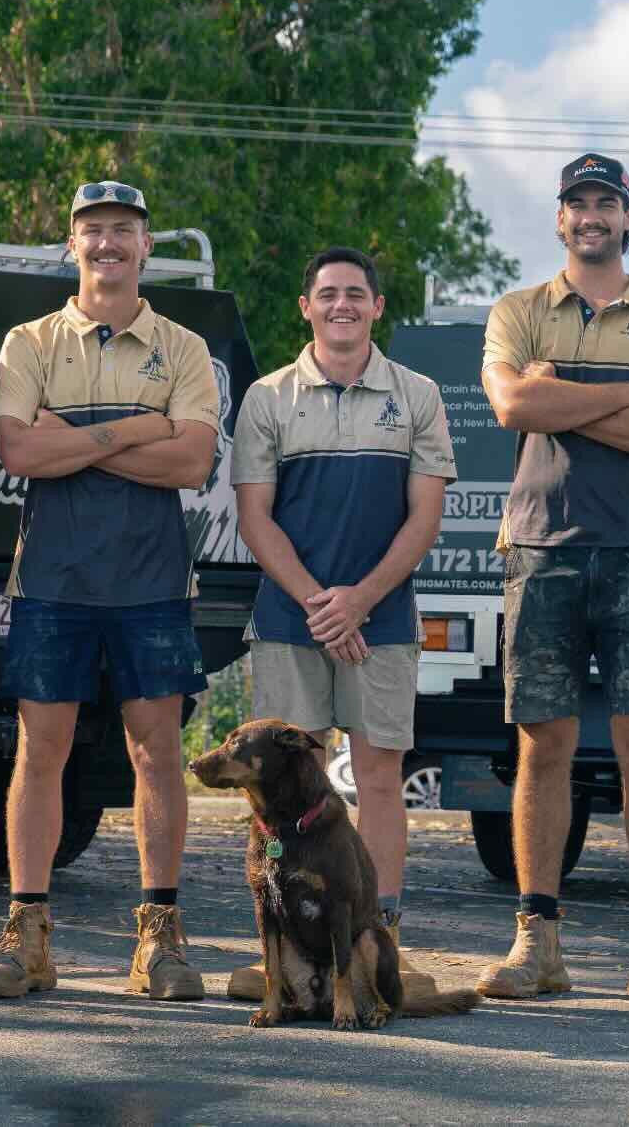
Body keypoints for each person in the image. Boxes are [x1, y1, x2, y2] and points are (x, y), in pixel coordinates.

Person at [0, 179, 220, 1002]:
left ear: (146, 245)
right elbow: (18, 456)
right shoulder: (28, 341)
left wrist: (72, 438)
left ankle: (160, 938)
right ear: (71, 244)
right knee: (41, 753)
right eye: (92, 231)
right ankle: (27, 934)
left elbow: (192, 464)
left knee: (157, 755)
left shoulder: (182, 345)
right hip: (53, 579)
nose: (108, 244)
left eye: (124, 230)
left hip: (151, 582)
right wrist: (137, 428)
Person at [476, 153, 629, 1006]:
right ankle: (536, 943)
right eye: (576, 202)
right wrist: (623, 396)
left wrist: (565, 389)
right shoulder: (516, 311)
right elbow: (513, 408)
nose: (591, 215)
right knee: (543, 749)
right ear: (559, 220)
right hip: (539, 548)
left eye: (605, 202)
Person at [224, 246, 455, 1005]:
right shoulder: (266, 397)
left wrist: (359, 600)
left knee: (382, 782)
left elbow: (426, 517)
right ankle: (286, 961)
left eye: (356, 293)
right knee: (279, 797)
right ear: (305, 307)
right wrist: (325, 605)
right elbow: (255, 520)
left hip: (381, 622)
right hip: (293, 623)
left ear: (378, 307)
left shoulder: (417, 395)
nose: (342, 305)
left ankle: (374, 945)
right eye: (327, 294)